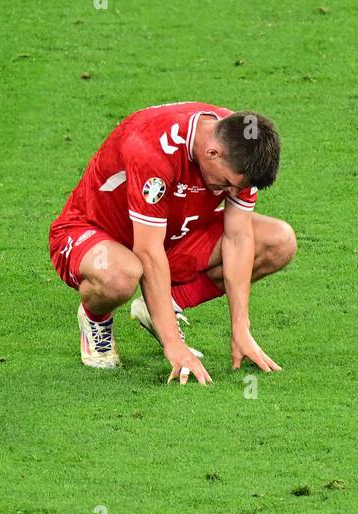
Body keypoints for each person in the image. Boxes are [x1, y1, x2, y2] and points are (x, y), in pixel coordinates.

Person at [49, 102, 296, 384]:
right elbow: (148, 252)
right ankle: (96, 317)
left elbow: (238, 238)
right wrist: (173, 346)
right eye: (228, 184)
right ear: (212, 153)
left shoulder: (242, 145)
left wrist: (241, 328)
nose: (233, 193)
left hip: (171, 234)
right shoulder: (152, 147)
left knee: (279, 241)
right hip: (95, 235)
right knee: (122, 273)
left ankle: (164, 306)